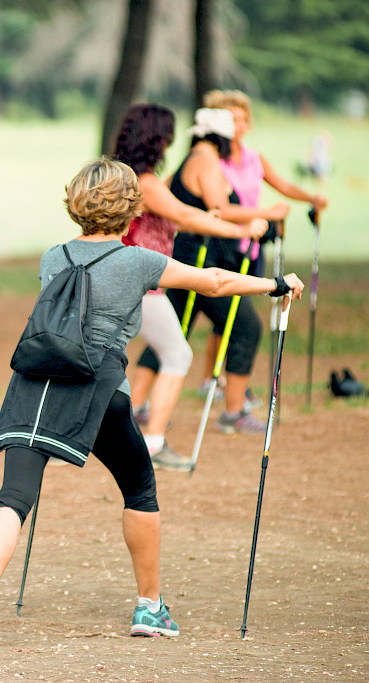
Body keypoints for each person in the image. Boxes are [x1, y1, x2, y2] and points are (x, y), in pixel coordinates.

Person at [0, 157, 303, 647]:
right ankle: (149, 608)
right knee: (139, 488)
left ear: (76, 203)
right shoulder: (139, 260)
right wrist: (275, 284)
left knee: (12, 499)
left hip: (35, 385)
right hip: (98, 392)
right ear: (132, 209)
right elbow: (215, 283)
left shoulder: (53, 257)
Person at [111, 104, 267, 470]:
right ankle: (151, 442)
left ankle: (111, 429)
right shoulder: (145, 181)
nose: (169, 144)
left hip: (127, 277)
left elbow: (179, 213)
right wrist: (241, 229)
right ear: (156, 140)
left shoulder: (123, 175)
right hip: (144, 282)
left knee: (120, 354)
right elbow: (183, 214)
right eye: (165, 136)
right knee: (177, 354)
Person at [196, 90, 329, 402]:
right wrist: (267, 214)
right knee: (225, 316)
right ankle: (211, 380)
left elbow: (282, 185)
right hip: (221, 243)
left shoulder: (255, 159)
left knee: (239, 314)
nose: (239, 126)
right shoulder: (212, 160)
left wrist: (311, 198)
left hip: (251, 246)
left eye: (243, 119)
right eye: (232, 120)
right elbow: (218, 207)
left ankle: (232, 381)